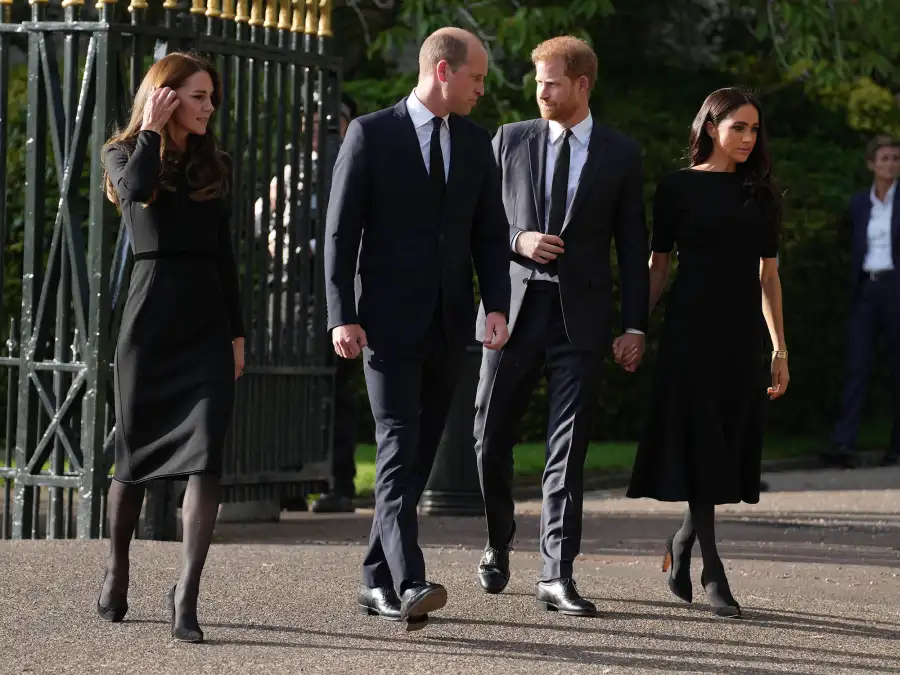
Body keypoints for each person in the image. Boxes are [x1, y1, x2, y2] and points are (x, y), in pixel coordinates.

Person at [324, 27, 511, 631]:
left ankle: (373, 580)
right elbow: (340, 231)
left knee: (417, 455)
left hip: (449, 323)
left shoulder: (476, 142)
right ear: (443, 71)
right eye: (476, 78)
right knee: (399, 444)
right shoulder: (371, 134)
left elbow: (489, 232)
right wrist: (341, 313)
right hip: (384, 324)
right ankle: (409, 581)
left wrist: (496, 305)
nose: (481, 89)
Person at [472, 36, 649, 618]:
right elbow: (479, 220)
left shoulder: (621, 154)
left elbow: (633, 244)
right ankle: (498, 539)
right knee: (489, 434)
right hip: (512, 310)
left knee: (568, 446)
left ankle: (556, 572)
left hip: (582, 318)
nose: (540, 92)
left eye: (551, 82)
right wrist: (518, 239)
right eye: (538, 82)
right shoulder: (509, 139)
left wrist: (635, 326)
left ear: (582, 84)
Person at [97, 52, 244, 644]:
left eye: (212, 97)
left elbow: (225, 255)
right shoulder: (123, 152)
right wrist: (152, 133)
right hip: (150, 321)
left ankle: (187, 592)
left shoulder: (215, 164)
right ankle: (117, 569)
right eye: (199, 96)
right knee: (132, 460)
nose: (209, 107)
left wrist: (237, 334)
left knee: (206, 457)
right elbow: (134, 193)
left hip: (206, 323)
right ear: (166, 96)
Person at [625, 87, 789, 619]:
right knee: (701, 442)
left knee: (722, 443)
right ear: (711, 127)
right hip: (689, 331)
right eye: (739, 127)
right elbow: (658, 265)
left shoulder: (760, 193)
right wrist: (634, 327)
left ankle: (681, 541)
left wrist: (779, 349)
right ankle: (712, 569)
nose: (748, 138)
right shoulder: (676, 188)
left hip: (740, 336)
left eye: (755, 129)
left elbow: (768, 276)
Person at [823, 135, 900, 469]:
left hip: (895, 287)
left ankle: (896, 446)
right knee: (857, 365)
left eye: (895, 158)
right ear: (871, 164)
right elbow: (849, 244)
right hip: (867, 288)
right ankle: (843, 443)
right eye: (884, 158)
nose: (890, 164)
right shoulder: (858, 204)